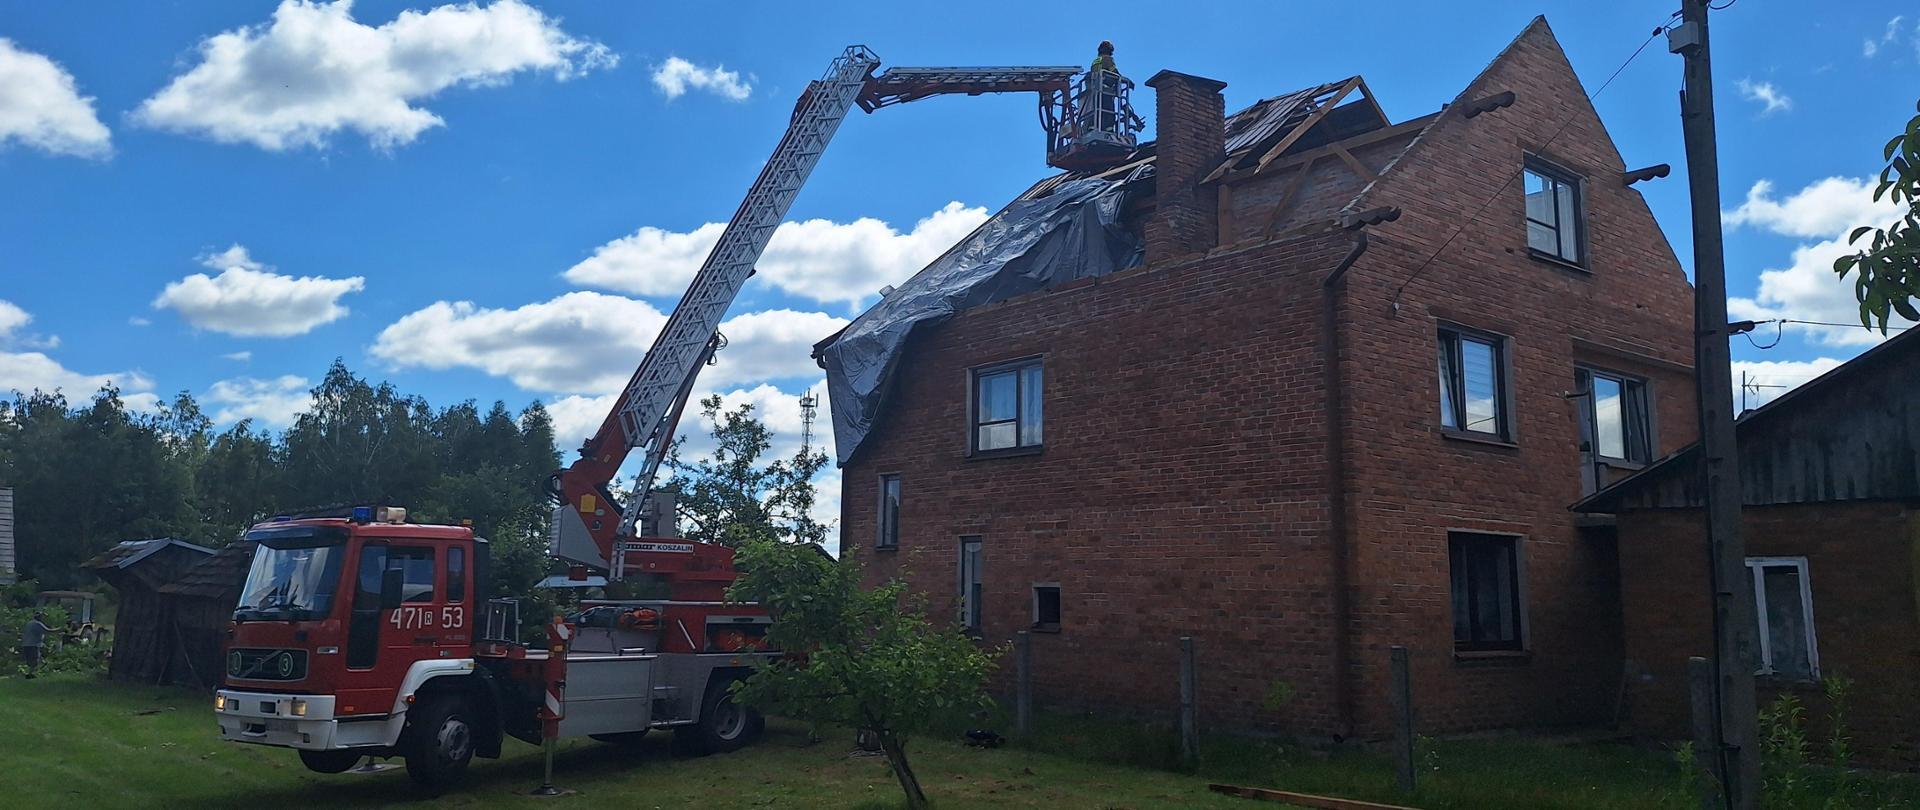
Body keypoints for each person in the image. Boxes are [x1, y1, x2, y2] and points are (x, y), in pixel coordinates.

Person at [19, 611, 51, 679]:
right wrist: (59, 629)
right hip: (33, 644)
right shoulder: (37, 623)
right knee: (34, 660)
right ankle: (29, 674)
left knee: (37, 659)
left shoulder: (30, 623)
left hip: (26, 643)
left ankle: (33, 672)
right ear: (39, 617)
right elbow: (48, 631)